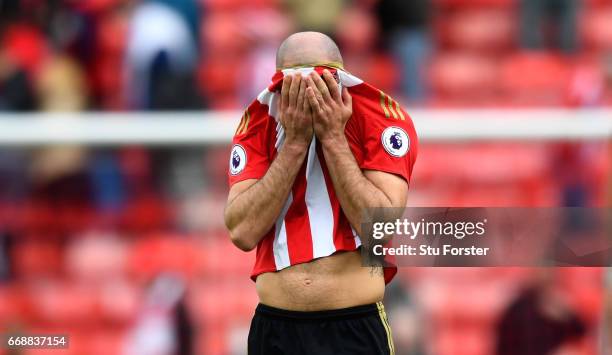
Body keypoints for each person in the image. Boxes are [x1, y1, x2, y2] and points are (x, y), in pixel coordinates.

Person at [224, 32, 418, 354]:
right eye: (295, 86)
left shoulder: (381, 120)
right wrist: (295, 144)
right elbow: (241, 230)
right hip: (276, 329)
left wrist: (333, 137)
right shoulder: (257, 125)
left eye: (321, 82)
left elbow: (379, 228)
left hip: (353, 329)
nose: (309, 95)